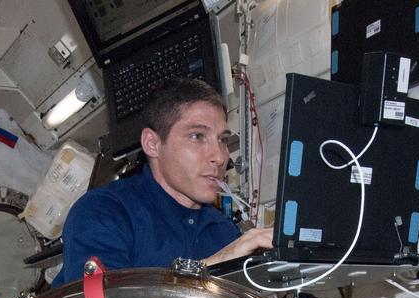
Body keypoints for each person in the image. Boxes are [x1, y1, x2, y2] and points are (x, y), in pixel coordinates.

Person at [58, 77, 272, 285]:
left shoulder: (223, 231)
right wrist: (215, 266)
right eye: (197, 136)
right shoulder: (104, 211)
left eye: (223, 140)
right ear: (152, 144)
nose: (220, 156)